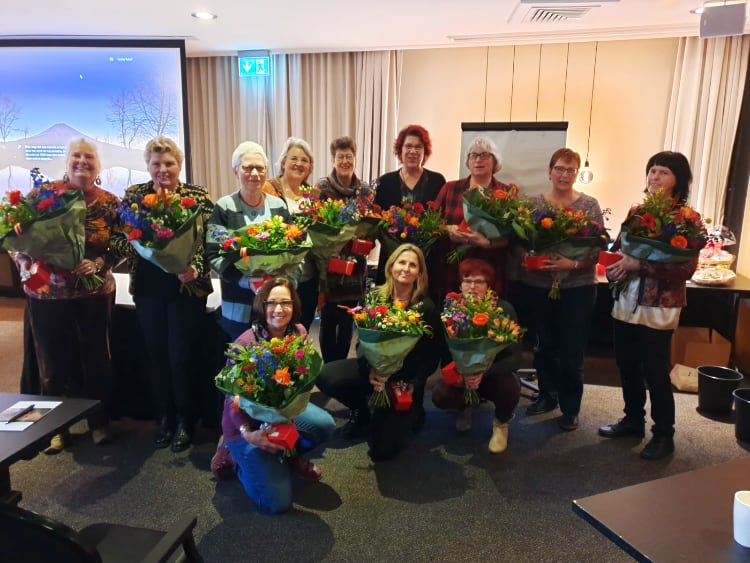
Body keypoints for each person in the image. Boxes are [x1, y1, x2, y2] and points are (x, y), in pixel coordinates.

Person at [13, 138, 120, 452]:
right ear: (66, 161)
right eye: (76, 155)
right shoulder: (43, 196)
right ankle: (56, 428)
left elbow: (122, 244)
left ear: (98, 166)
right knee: (52, 363)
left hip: (94, 294)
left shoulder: (110, 203)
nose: (82, 162)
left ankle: (99, 422)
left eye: (89, 157)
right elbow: (16, 238)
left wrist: (99, 263)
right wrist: (27, 265)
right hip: (48, 294)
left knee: (97, 360)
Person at [111, 136, 213, 453]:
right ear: (148, 165)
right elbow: (116, 239)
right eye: (156, 163)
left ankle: (185, 419)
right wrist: (144, 246)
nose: (163, 169)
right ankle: (165, 418)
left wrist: (196, 267)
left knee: (181, 356)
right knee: (156, 355)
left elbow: (212, 239)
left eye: (169, 163)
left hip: (186, 287)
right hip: (148, 289)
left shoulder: (198, 196)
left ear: (179, 165)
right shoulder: (134, 196)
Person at [599, 151, 700, 460]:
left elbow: (686, 269)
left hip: (660, 305)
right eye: (652, 170)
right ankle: (633, 420)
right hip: (627, 299)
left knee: (655, 370)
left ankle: (664, 434)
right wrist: (614, 267)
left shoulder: (688, 219)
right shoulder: (636, 212)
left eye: (663, 172)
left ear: (678, 180)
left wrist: (640, 265)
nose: (655, 177)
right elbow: (619, 249)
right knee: (626, 364)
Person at [215, 277, 335, 514]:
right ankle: (233, 458)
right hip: (247, 425)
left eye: (286, 302)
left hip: (282, 414)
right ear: (262, 305)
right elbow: (232, 399)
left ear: (294, 305)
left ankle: (289, 455)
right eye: (272, 303)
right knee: (276, 504)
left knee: (324, 424)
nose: (279, 309)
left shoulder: (298, 332)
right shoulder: (246, 343)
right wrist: (247, 433)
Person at [316, 243, 441, 462]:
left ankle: (413, 413)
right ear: (391, 266)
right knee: (325, 375)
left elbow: (431, 356)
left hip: (404, 381)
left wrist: (413, 383)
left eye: (413, 265)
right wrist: (371, 367)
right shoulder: (374, 297)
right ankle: (362, 410)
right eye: (402, 262)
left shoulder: (426, 307)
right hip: (373, 369)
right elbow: (362, 342)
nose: (406, 268)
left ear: (419, 273)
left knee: (381, 450)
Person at [520, 148, 604, 431]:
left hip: (578, 288)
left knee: (572, 350)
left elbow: (598, 248)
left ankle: (570, 407)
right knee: (543, 347)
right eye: (559, 168)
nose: (564, 174)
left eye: (570, 170)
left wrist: (573, 262)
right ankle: (547, 395)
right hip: (539, 286)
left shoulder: (589, 205)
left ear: (576, 174)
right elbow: (521, 242)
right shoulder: (534, 205)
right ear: (549, 172)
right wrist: (528, 258)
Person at [432, 259, 522, 453]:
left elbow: (515, 359)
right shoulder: (452, 312)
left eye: (479, 282)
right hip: (463, 376)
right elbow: (446, 354)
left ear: (489, 286)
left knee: (510, 387)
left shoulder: (503, 309)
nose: (472, 287)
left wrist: (483, 372)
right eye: (467, 281)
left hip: (494, 375)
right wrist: (460, 374)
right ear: (460, 285)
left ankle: (501, 423)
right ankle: (465, 407)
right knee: (440, 395)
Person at [206, 141, 290, 341]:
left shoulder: (278, 206)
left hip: (274, 307)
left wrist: (279, 282)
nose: (255, 173)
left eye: (260, 168)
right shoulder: (224, 207)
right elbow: (214, 254)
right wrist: (245, 281)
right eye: (247, 168)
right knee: (242, 353)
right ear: (236, 172)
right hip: (238, 305)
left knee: (275, 352)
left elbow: (293, 248)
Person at [433, 136, 511, 301]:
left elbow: (513, 237)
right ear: (467, 162)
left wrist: (487, 242)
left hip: (490, 271)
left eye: (484, 155)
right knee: (451, 313)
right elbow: (430, 226)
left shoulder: (505, 194)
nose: (478, 160)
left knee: (486, 314)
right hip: (452, 270)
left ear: (495, 161)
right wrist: (447, 229)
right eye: (473, 155)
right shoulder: (450, 188)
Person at [315, 136, 368, 362]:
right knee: (328, 319)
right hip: (329, 266)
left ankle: (341, 364)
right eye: (340, 157)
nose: (345, 161)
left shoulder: (364, 190)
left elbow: (370, 224)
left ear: (355, 158)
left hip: (355, 267)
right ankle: (329, 366)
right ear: (332, 160)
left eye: (349, 156)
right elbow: (316, 224)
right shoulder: (322, 187)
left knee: (348, 319)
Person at [374, 125, 446, 283]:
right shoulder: (385, 182)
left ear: (425, 151)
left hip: (426, 262)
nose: (413, 151)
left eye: (418, 147)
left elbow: (442, 220)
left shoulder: (437, 181)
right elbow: (376, 222)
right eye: (408, 146)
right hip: (392, 261)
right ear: (400, 150)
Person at [262, 137, 318, 330]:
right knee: (278, 328)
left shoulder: (312, 194)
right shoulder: (269, 189)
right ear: (283, 162)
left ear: (310, 167)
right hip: (279, 275)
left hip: (309, 275)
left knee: (303, 327)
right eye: (294, 158)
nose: (299, 164)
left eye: (305, 160)